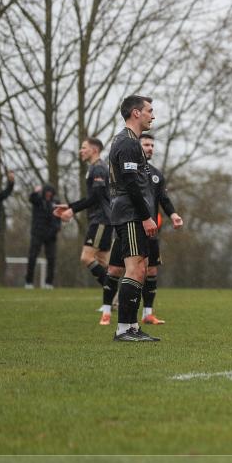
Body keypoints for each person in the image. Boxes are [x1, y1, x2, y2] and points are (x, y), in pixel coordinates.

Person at [107, 95, 159, 342]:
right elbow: (130, 183)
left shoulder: (132, 142)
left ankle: (132, 326)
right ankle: (124, 329)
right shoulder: (127, 142)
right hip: (129, 213)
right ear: (136, 113)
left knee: (140, 268)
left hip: (132, 212)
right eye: (149, 110)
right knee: (134, 267)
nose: (153, 115)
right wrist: (146, 216)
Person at [53, 138, 114, 324]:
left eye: (83, 147)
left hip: (101, 220)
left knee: (86, 258)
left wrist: (72, 210)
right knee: (106, 265)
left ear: (94, 149)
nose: (81, 151)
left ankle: (114, 292)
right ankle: (116, 298)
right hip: (102, 219)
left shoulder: (99, 169)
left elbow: (95, 197)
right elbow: (94, 196)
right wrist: (70, 205)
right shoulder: (95, 168)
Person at [138, 133, 183, 325]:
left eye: (152, 145)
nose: (150, 148)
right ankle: (112, 310)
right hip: (131, 227)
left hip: (151, 230)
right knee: (125, 270)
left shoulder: (156, 174)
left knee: (151, 270)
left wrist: (173, 215)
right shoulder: (128, 172)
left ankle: (147, 314)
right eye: (146, 144)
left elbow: (163, 199)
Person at [25, 184, 61, 289]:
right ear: (44, 192)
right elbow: (31, 198)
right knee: (32, 257)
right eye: (47, 192)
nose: (49, 194)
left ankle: (49, 283)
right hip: (37, 233)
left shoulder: (56, 202)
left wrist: (57, 227)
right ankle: (28, 282)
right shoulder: (38, 200)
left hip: (51, 234)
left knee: (51, 259)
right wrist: (36, 191)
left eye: (50, 192)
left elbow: (59, 217)